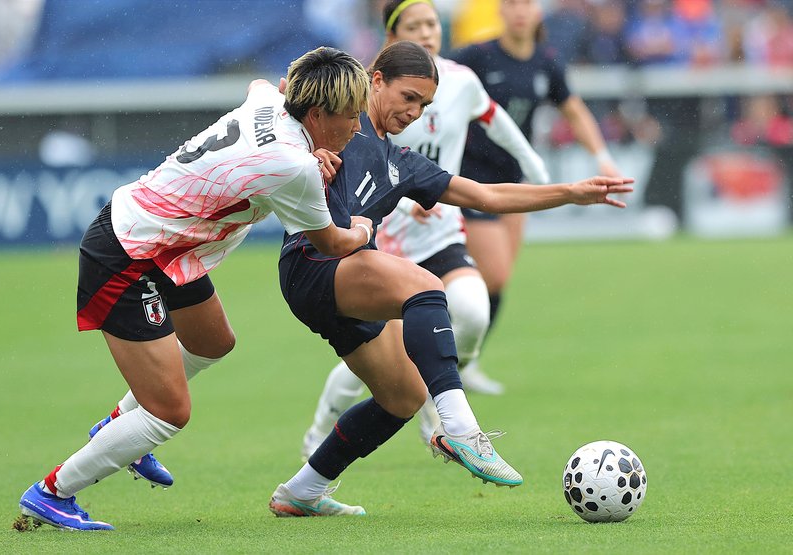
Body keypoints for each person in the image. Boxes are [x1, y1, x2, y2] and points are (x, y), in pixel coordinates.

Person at [268, 39, 633, 517]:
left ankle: (303, 491)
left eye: (424, 104)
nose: (415, 112)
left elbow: (486, 197)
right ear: (376, 80)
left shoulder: (401, 163)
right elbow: (277, 98)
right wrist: (305, 149)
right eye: (408, 97)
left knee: (402, 397)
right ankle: (460, 428)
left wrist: (570, 192)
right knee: (426, 287)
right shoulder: (338, 119)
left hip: (345, 279)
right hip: (313, 263)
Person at [17, 46, 376, 531]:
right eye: (351, 116)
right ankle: (53, 493)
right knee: (170, 412)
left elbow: (265, 87)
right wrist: (364, 229)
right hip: (128, 256)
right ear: (317, 113)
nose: (357, 127)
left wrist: (309, 144)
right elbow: (332, 243)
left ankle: (118, 426)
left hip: (165, 248)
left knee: (212, 342)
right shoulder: (295, 166)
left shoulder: (268, 102)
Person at [299, 0, 551, 465]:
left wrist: (541, 173)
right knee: (373, 361)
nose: (427, 33)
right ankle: (320, 435)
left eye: (432, 24)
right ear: (391, 41)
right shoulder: (361, 97)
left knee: (473, 312)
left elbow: (499, 130)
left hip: (436, 230)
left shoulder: (459, 81)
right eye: (414, 26)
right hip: (379, 235)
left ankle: (446, 403)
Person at [446, 0, 621, 392]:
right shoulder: (475, 55)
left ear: (538, 12)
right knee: (494, 273)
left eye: (526, 4)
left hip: (515, 182)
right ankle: (445, 356)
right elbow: (432, 87)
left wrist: (603, 158)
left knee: (497, 283)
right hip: (471, 181)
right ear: (501, 13)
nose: (520, 11)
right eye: (511, 4)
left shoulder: (547, 61)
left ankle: (464, 362)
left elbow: (574, 111)